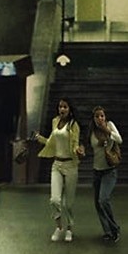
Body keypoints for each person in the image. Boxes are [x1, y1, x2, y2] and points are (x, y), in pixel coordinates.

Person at [34, 97, 84, 241]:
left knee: (68, 203)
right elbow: (51, 142)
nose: (62, 109)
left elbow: (75, 144)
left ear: (70, 109)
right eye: (60, 106)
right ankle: (59, 227)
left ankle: (69, 228)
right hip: (56, 164)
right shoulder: (55, 122)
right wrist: (39, 138)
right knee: (55, 199)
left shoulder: (74, 125)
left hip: (70, 166)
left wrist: (78, 151)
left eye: (65, 107)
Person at [88, 105, 124, 242]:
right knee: (98, 203)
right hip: (96, 171)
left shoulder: (110, 125)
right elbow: (87, 145)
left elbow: (120, 140)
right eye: (97, 116)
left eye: (102, 115)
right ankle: (108, 232)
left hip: (109, 171)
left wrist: (107, 131)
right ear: (93, 118)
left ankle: (115, 229)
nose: (100, 118)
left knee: (103, 199)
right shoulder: (91, 131)